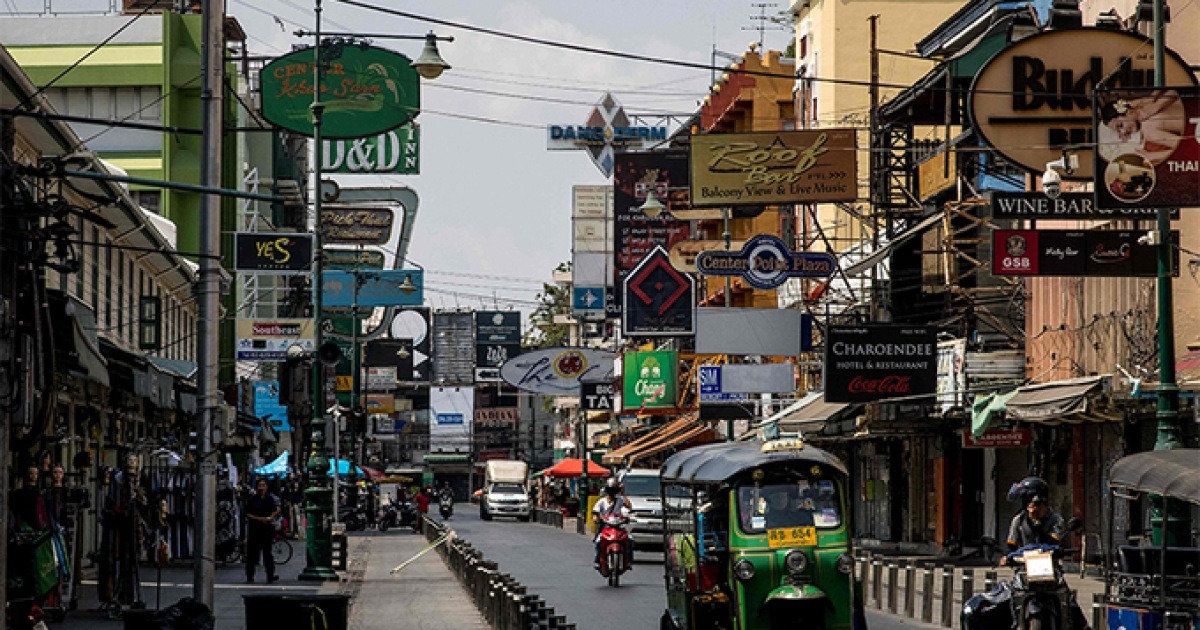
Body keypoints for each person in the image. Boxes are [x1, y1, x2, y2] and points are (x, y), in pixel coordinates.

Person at [1099, 90, 1185, 163]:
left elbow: (1183, 148)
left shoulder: (1147, 128)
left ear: (1128, 112)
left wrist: (1151, 156)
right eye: (1119, 132)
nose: (1123, 131)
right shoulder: (1147, 104)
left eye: (1120, 126)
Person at [1002, 476, 1065, 562]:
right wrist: (1007, 557)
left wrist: (1037, 523)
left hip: (1049, 564)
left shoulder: (1056, 520)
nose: (1030, 507)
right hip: (1023, 566)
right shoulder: (1019, 520)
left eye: (1034, 503)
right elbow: (1011, 545)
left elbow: (1053, 543)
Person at [243, 478, 281, 583]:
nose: (261, 488)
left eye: (263, 485)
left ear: (266, 487)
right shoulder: (252, 500)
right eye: (260, 485)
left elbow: (275, 510)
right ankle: (250, 576)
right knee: (252, 554)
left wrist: (271, 517)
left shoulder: (270, 499)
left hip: (267, 529)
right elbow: (247, 514)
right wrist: (259, 519)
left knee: (267, 553)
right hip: (254, 530)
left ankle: (270, 575)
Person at [592, 479, 632, 571]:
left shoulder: (620, 500)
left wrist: (623, 493)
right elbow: (595, 513)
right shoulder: (601, 502)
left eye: (614, 490)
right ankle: (597, 561)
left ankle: (628, 561)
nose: (612, 493)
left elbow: (629, 506)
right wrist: (596, 519)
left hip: (619, 526)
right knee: (598, 542)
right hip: (605, 527)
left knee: (630, 540)